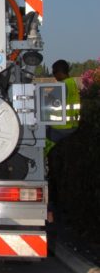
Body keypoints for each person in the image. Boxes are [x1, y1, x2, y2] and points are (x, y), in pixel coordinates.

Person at [45, 60, 80, 223]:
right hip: (72, 126)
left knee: (40, 150)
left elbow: (47, 105)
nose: (53, 76)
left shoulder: (62, 86)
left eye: (54, 73)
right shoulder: (72, 83)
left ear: (59, 72)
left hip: (60, 128)